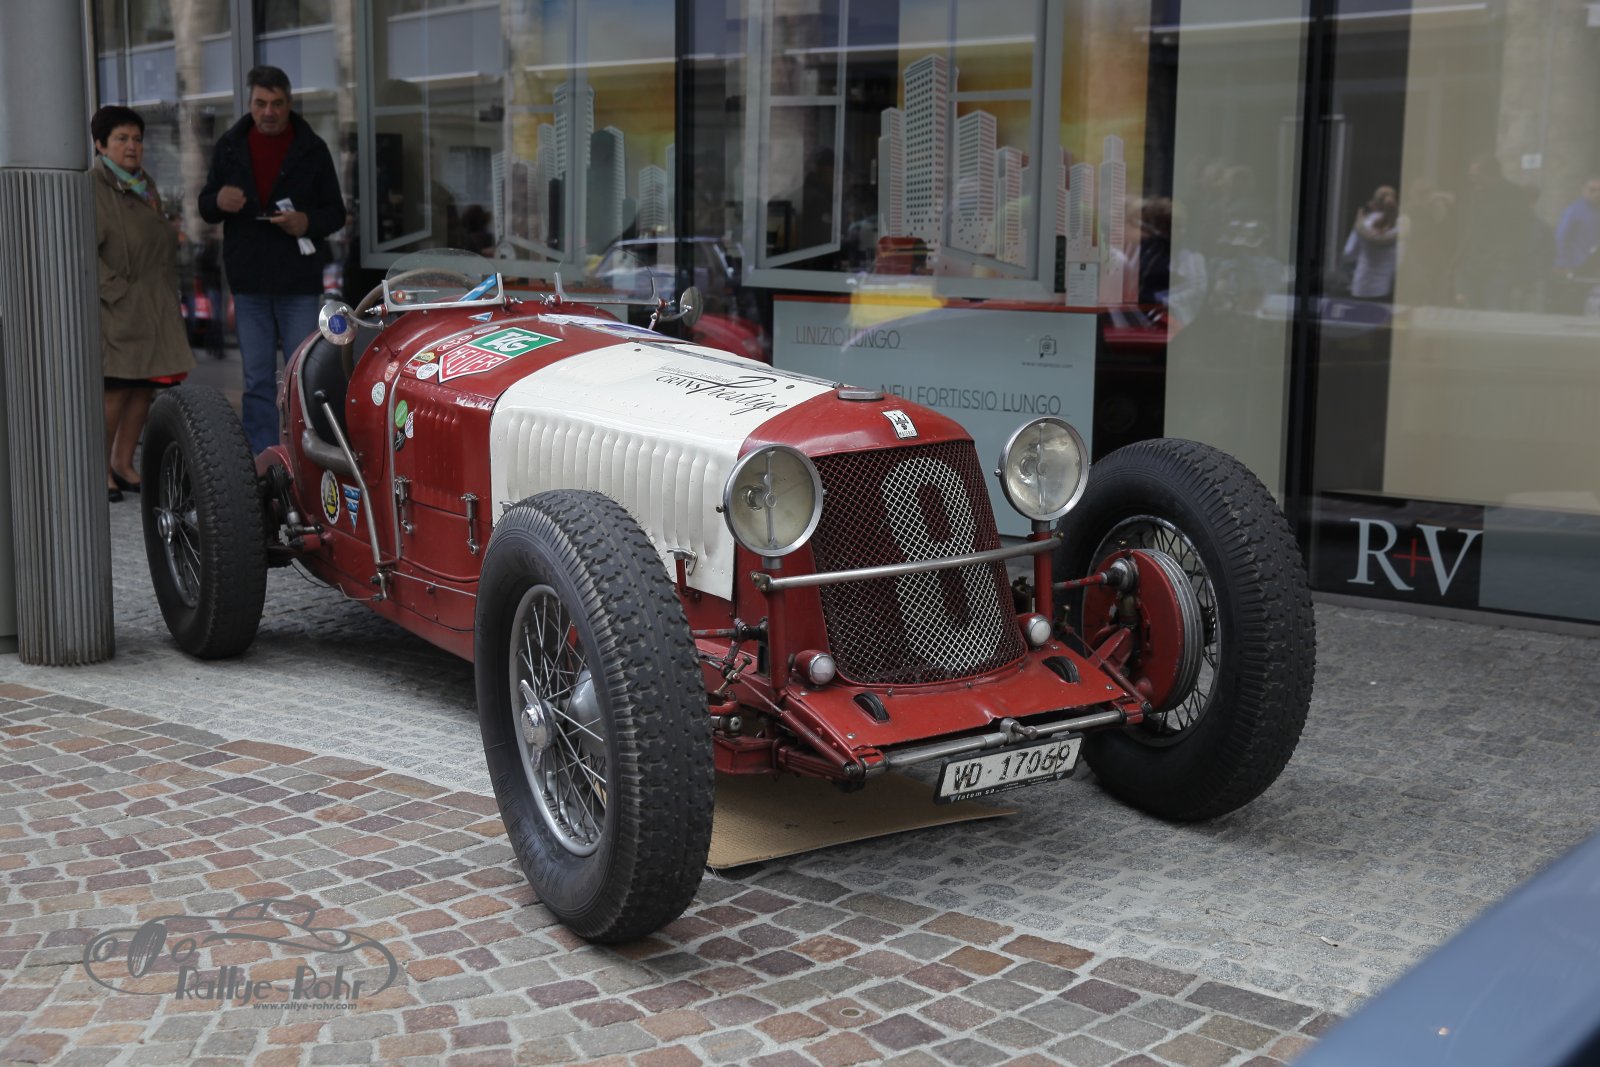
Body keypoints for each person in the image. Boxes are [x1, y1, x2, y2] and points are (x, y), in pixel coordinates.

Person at [199, 64, 344, 454]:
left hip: (298, 282)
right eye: (260, 103)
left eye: (276, 103)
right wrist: (218, 200)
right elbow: (205, 206)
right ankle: (264, 457)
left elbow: (336, 212)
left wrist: (306, 222)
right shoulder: (230, 145)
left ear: (289, 103)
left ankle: (303, 454)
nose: (268, 112)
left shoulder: (312, 148)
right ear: (250, 104)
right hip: (249, 282)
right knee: (258, 380)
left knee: (303, 375)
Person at [90, 105, 196, 503]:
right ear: (100, 145)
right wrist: (115, 292)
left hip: (153, 305)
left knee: (143, 388)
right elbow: (84, 252)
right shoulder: (94, 187)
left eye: (136, 138)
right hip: (118, 307)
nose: (132, 146)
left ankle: (123, 463)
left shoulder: (143, 184)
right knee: (116, 390)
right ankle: (99, 469)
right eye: (121, 139)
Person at [1344, 185, 1402, 300]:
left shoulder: (1363, 224)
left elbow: (1348, 254)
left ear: (1374, 203)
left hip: (1361, 287)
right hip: (1385, 288)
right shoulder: (1402, 225)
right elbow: (1400, 259)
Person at [1554, 176, 1600, 314]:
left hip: (1595, 266)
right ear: (1584, 190)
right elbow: (1561, 238)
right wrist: (1562, 263)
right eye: (1592, 190)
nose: (1597, 194)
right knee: (1576, 302)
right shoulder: (1574, 211)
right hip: (1578, 265)